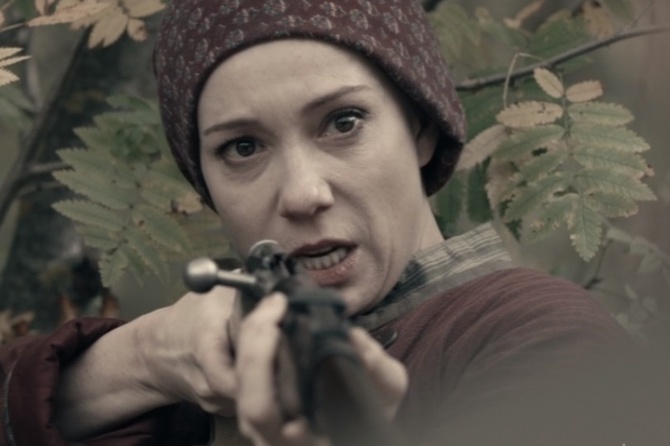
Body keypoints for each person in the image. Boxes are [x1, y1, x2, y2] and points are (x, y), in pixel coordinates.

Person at [0, 1, 664, 445]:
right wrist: (145, 359)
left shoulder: (543, 336)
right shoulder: (195, 368)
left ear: (421, 128)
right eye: (242, 147)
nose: (302, 193)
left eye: (343, 123)